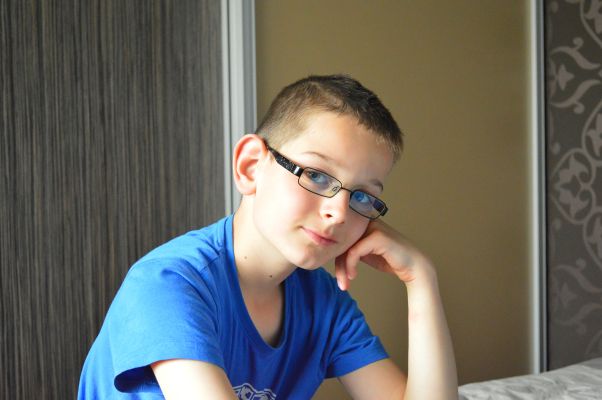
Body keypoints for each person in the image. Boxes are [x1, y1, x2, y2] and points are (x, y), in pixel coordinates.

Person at [78, 74, 458, 399]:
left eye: (361, 196)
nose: (339, 212)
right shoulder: (168, 284)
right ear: (250, 167)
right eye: (316, 175)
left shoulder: (324, 304)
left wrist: (420, 278)